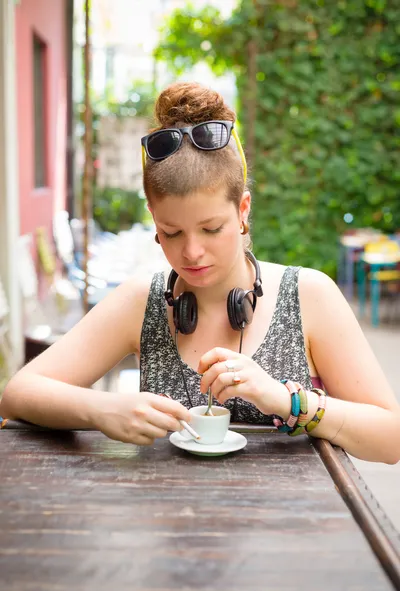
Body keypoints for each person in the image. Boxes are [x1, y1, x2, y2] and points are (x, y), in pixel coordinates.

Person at [1, 82, 399, 464]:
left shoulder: (309, 295)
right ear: (154, 221)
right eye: (171, 232)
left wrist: (287, 401)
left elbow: (390, 440)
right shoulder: (144, 301)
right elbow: (18, 393)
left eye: (211, 229)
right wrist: (102, 410)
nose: (191, 252)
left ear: (243, 211)